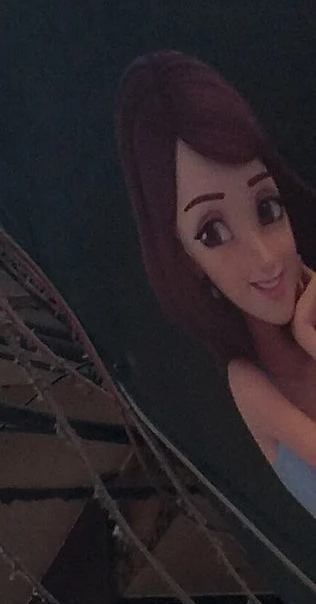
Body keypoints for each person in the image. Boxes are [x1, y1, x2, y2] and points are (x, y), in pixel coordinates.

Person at [117, 53, 316, 516]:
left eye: (267, 209)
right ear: (186, 258)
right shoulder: (248, 383)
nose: (266, 259)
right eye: (213, 233)